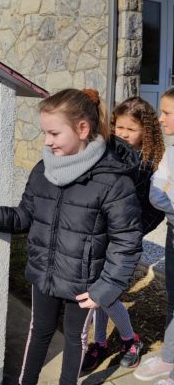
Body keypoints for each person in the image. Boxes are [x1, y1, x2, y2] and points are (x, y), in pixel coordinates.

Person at [0, 88, 143, 385]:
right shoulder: (42, 170)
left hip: (83, 283)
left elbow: (127, 242)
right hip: (44, 275)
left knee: (75, 339)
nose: (47, 141)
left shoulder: (113, 181)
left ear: (82, 129)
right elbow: (25, 215)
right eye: (44, 133)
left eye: (54, 133)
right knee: (39, 331)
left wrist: (105, 288)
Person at [82, 97, 165, 371]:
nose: (123, 134)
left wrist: (133, 231)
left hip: (124, 242)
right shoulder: (108, 152)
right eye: (119, 127)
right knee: (97, 290)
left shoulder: (151, 164)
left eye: (131, 129)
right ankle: (100, 343)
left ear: (147, 131)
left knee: (106, 293)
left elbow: (155, 210)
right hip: (100, 234)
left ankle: (130, 340)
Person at [134, 88, 174, 384]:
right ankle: (170, 357)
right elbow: (156, 195)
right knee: (173, 299)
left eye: (168, 113)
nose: (161, 118)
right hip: (173, 233)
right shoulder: (171, 152)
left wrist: (169, 188)